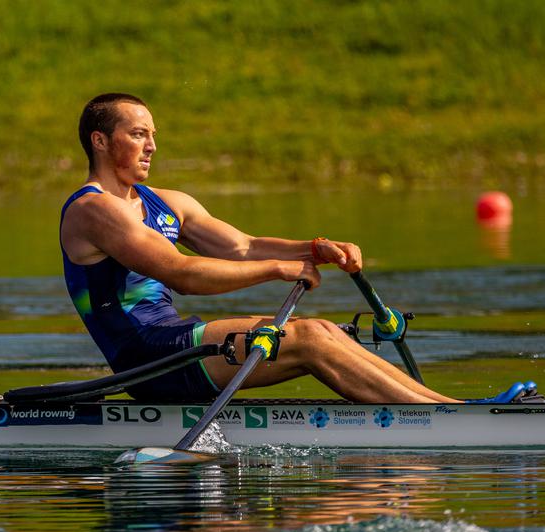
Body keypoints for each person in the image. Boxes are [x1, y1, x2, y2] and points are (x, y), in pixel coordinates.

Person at [59, 92, 461, 404]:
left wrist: (313, 249)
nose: (152, 147)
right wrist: (277, 269)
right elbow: (181, 274)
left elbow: (242, 246)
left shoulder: (167, 202)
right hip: (144, 360)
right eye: (138, 134)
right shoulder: (93, 210)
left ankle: (448, 406)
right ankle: (448, 418)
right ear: (100, 141)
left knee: (320, 330)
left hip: (174, 342)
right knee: (310, 342)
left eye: (153, 136)